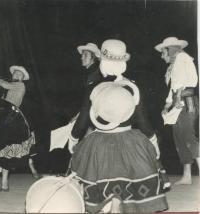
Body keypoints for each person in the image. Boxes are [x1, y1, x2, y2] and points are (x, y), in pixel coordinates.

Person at [70, 81, 169, 213]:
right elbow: (143, 121)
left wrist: (73, 139)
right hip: (129, 141)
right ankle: (117, 201)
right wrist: (153, 141)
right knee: (131, 167)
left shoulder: (94, 87)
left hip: (99, 143)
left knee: (96, 168)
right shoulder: (131, 87)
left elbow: (82, 120)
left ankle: (110, 201)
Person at [155, 37, 199, 185]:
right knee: (179, 137)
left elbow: (193, 81)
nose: (162, 56)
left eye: (163, 52)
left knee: (188, 137)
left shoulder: (183, 58)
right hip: (177, 103)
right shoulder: (173, 65)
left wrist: (179, 94)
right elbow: (173, 89)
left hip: (187, 103)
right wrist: (168, 104)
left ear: (171, 50)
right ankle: (187, 176)